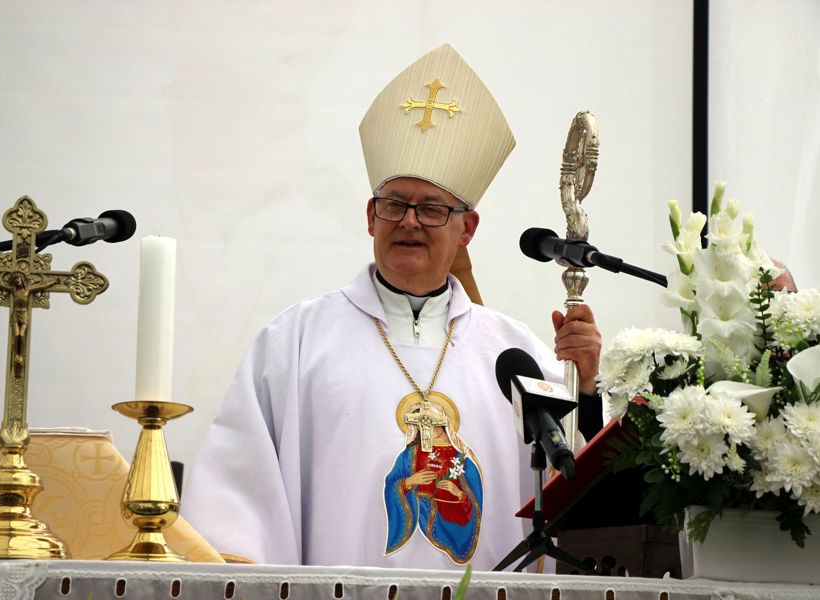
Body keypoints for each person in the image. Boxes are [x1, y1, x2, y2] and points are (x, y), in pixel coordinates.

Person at [183, 44, 603, 569]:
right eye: (394, 204)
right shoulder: (294, 344)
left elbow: (577, 491)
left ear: (467, 229)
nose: (408, 221)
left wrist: (586, 388)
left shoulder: (516, 354)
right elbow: (238, 497)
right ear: (370, 217)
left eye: (431, 209)